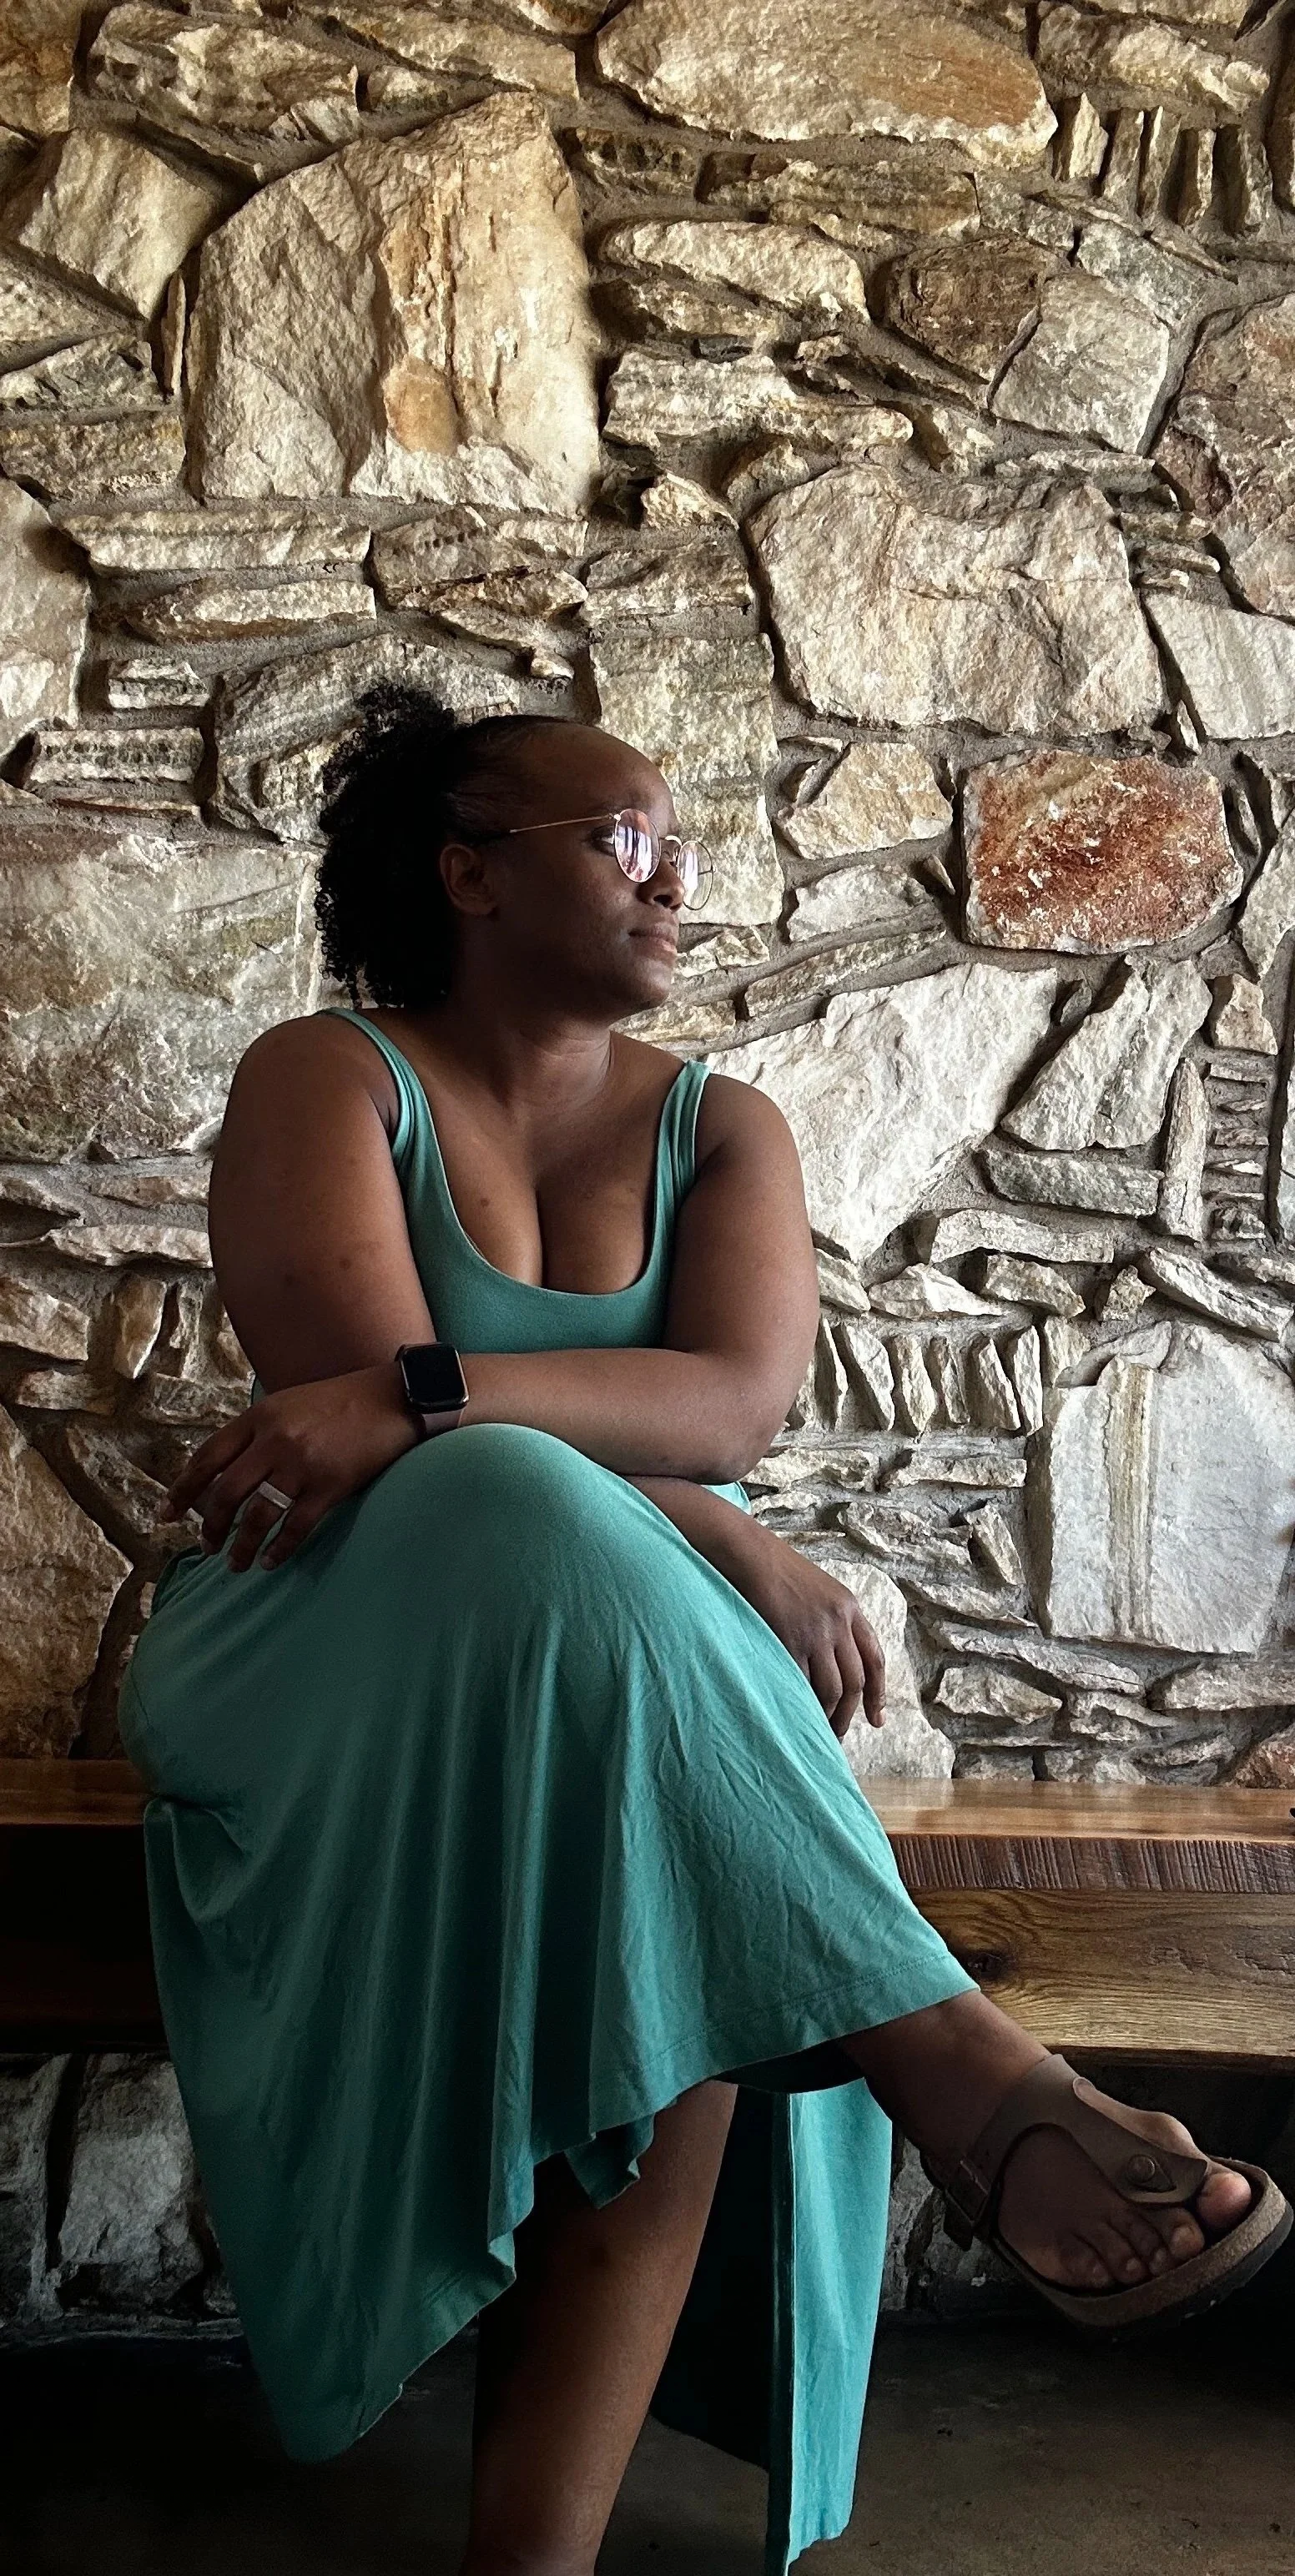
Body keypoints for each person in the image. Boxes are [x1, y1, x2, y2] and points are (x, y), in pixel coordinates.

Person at [120, 687, 1288, 2576]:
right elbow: (358, 1429)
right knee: (520, 1522)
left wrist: (618, 1480)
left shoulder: (719, 1127)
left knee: (652, 1842)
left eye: (684, 842)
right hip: (324, 1647)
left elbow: (731, 1407)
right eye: (627, 839)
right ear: (468, 866)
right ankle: (958, 2072)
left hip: (605, 1669)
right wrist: (715, 1541)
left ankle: (538, 2554)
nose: (680, 880)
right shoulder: (323, 1076)